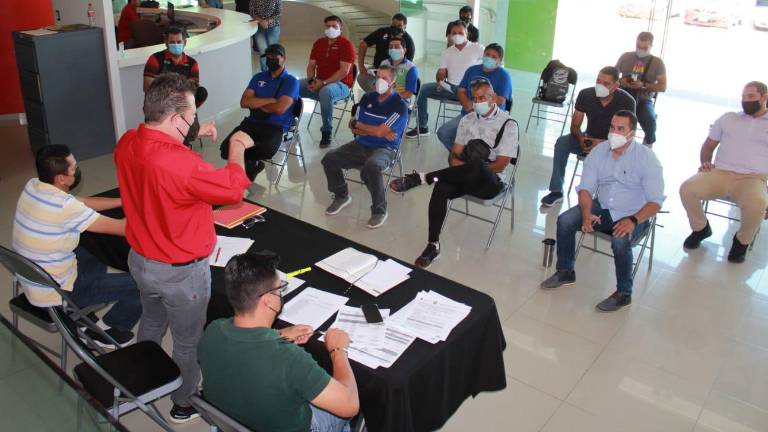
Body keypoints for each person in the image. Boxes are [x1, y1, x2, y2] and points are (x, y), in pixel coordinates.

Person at [114, 73, 254, 423]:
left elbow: (162, 161)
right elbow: (233, 189)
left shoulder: (127, 142)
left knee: (151, 319)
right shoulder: (182, 164)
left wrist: (191, 135)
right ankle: (184, 400)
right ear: (176, 118)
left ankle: (144, 377)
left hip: (141, 261)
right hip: (181, 274)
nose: (194, 120)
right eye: (191, 115)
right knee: (187, 341)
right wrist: (237, 148)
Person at [199, 252, 359, 432]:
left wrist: (279, 334)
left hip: (235, 420)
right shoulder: (289, 358)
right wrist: (338, 350)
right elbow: (350, 406)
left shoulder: (213, 329)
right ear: (268, 301)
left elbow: (245, 351)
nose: (281, 294)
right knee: (353, 398)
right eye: (279, 290)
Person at [12, 145, 141, 346]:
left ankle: (85, 310)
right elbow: (123, 228)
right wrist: (143, 206)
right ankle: (107, 332)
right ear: (61, 178)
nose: (78, 170)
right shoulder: (64, 208)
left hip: (34, 277)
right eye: (74, 168)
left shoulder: (34, 185)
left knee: (92, 248)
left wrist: (124, 200)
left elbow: (84, 202)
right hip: (61, 292)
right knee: (146, 284)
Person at [540, 111, 664, 312]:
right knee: (565, 220)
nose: (614, 132)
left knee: (620, 240)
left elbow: (655, 202)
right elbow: (586, 189)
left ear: (632, 133)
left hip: (635, 213)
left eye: (621, 129)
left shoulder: (646, 158)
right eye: (612, 127)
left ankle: (624, 293)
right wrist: (586, 213)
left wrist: (633, 220)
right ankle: (565, 271)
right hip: (603, 206)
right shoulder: (599, 152)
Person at [390, 80, 518, 268]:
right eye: (474, 98)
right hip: (464, 176)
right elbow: (454, 155)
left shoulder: (508, 124)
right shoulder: (468, 120)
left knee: (478, 166)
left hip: (491, 182)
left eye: (482, 98)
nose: (477, 102)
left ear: (493, 98)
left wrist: (473, 168)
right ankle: (433, 245)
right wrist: (464, 168)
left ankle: (423, 178)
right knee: (441, 187)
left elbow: (500, 165)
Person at [679, 81, 768, 263]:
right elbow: (708, 145)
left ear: (764, 97)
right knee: (687, 188)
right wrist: (705, 163)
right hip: (721, 172)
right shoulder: (729, 118)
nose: (745, 101)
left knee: (757, 204)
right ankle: (701, 228)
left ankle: (742, 242)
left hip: (753, 178)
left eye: (751, 96)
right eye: (743, 97)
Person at [322, 65, 409, 229]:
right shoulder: (367, 98)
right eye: (378, 77)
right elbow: (353, 126)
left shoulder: (399, 106)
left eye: (384, 78)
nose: (379, 81)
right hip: (361, 143)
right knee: (329, 158)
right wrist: (372, 130)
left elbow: (377, 131)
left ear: (393, 83)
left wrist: (367, 128)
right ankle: (341, 195)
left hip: (386, 149)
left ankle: (379, 211)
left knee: (372, 166)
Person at [540, 66, 636, 207]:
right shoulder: (586, 94)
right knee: (562, 143)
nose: (600, 86)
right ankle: (556, 191)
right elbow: (575, 126)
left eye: (606, 83)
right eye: (598, 81)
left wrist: (602, 144)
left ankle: (608, 196)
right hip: (588, 139)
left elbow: (627, 135)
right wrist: (582, 140)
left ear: (616, 85)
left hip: (613, 144)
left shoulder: (627, 101)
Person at [219, 44, 299, 181]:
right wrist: (271, 100)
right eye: (268, 57)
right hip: (252, 122)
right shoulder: (258, 77)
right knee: (225, 150)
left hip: (276, 126)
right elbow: (244, 102)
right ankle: (252, 164)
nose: (270, 59)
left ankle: (249, 164)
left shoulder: (291, 81)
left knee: (267, 150)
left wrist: (256, 103)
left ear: (284, 58)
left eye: (274, 56)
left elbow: (279, 109)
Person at [406, 20, 484, 138]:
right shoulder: (447, 52)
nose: (457, 35)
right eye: (454, 33)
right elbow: (441, 73)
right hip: (450, 89)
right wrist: (440, 81)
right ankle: (422, 127)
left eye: (460, 33)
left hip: (469, 91)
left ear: (466, 33)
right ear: (450, 35)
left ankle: (470, 131)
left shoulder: (477, 48)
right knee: (423, 89)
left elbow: (488, 66)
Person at [436, 43, 512, 151]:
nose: (489, 58)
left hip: (491, 119)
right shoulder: (472, 70)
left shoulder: (504, 76)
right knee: (444, 132)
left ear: (499, 61)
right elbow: (461, 91)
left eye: (494, 57)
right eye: (487, 54)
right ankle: (462, 156)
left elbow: (500, 99)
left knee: (479, 143)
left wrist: (479, 107)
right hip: (468, 115)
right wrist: (466, 103)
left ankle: (472, 156)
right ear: (483, 54)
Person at [300, 16, 356, 148]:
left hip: (341, 85)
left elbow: (344, 71)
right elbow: (311, 65)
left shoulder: (346, 45)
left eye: (334, 26)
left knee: (325, 92)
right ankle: (290, 122)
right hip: (319, 81)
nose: (331, 29)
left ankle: (326, 130)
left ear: (340, 28)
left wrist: (323, 83)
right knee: (293, 86)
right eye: (328, 26)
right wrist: (311, 80)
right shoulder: (319, 43)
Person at [616, 32, 667, 145]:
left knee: (650, 121)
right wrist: (620, 81)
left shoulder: (657, 63)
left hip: (643, 99)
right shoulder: (625, 56)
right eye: (638, 47)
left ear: (651, 46)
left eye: (644, 48)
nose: (641, 50)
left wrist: (643, 85)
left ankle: (648, 143)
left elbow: (662, 86)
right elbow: (613, 76)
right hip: (622, 95)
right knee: (606, 113)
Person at [143, 26, 208, 107]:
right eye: (172, 42)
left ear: (185, 42)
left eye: (179, 42)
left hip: (183, 104)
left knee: (201, 92)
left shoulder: (192, 63)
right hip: (160, 105)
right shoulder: (155, 59)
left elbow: (192, 89)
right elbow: (147, 87)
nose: (176, 45)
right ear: (166, 43)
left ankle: (188, 112)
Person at [357, 13, 415, 92]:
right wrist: (361, 66)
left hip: (396, 72)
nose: (396, 28)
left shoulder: (409, 42)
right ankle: (377, 94)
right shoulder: (382, 32)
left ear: (404, 26)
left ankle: (383, 94)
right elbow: (363, 44)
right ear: (391, 23)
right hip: (377, 68)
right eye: (394, 25)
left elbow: (407, 65)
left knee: (389, 86)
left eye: (399, 26)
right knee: (361, 78)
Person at [376, 36, 419, 101]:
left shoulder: (411, 68)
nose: (393, 49)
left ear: (404, 50)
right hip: (383, 97)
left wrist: (391, 98)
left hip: (400, 100)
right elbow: (378, 82)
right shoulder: (384, 63)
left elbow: (409, 93)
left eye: (396, 47)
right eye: (390, 47)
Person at [250, 0, 283, 72]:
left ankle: (273, 71)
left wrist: (267, 21)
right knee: (263, 51)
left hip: (273, 28)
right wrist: (261, 21)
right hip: (259, 28)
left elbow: (278, 12)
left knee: (272, 52)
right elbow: (252, 12)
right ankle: (265, 73)